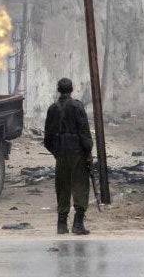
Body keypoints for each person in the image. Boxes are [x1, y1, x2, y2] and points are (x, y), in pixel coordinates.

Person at [44, 78, 93, 235]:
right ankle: (78, 224)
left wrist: (57, 152)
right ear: (71, 89)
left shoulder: (52, 109)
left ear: (59, 90)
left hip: (61, 153)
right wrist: (88, 150)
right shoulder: (77, 106)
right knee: (80, 186)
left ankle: (61, 224)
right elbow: (84, 131)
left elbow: (48, 138)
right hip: (77, 152)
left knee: (62, 187)